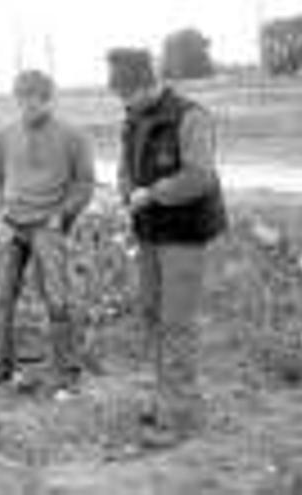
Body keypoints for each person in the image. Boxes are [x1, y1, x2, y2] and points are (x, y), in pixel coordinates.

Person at [106, 48, 227, 448]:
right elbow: (125, 166)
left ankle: (180, 418)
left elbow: (200, 177)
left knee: (176, 324)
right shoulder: (133, 117)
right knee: (153, 316)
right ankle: (164, 400)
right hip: (150, 233)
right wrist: (126, 190)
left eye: (127, 94)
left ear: (148, 83)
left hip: (185, 235)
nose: (124, 103)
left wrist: (152, 194)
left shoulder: (192, 116)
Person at [0, 70, 96, 397]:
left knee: (56, 298)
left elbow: (84, 183)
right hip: (13, 224)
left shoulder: (73, 136)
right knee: (3, 295)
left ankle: (66, 372)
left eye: (34, 100)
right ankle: (0, 364)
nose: (27, 107)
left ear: (48, 99)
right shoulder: (5, 135)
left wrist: (63, 214)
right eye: (21, 100)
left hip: (48, 226)